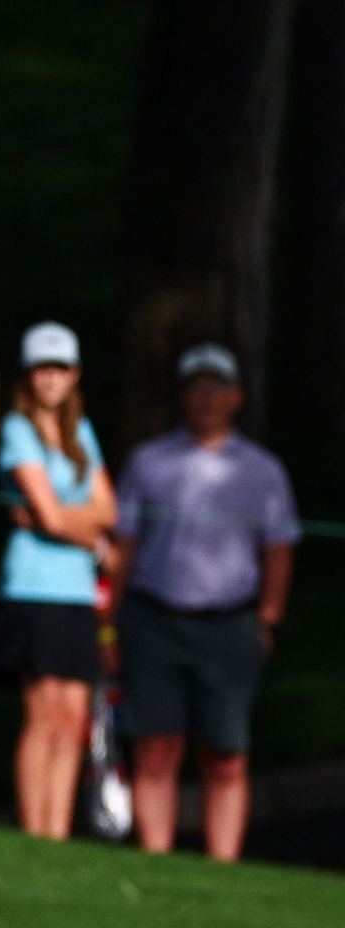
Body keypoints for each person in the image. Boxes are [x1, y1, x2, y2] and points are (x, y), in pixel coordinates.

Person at [112, 344, 299, 862]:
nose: (206, 397)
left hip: (230, 623)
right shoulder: (149, 461)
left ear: (236, 397)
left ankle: (223, 868)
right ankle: (155, 862)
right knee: (155, 746)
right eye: (197, 386)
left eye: (217, 386)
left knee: (226, 754)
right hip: (154, 616)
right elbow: (123, 548)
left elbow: (279, 550)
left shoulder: (263, 471)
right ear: (183, 395)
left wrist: (268, 618)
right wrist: (109, 623)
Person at [0, 322, 115, 841]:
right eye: (43, 367)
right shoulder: (17, 429)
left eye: (60, 368)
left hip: (75, 590)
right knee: (41, 714)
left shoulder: (80, 431)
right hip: (33, 587)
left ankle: (57, 835)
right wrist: (91, 536)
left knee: (72, 714)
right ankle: (34, 831)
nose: (51, 378)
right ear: (28, 374)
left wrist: (70, 522)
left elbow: (109, 508)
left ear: (75, 374)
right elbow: (56, 517)